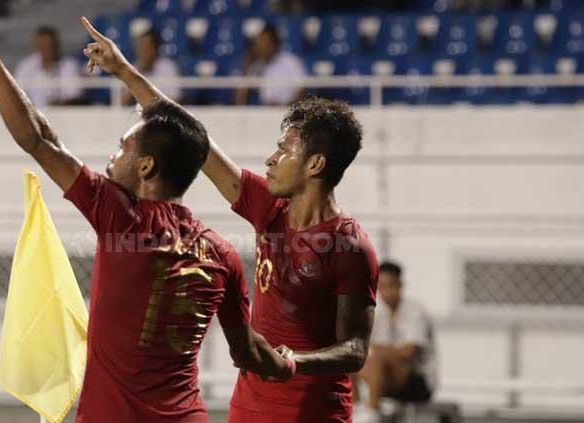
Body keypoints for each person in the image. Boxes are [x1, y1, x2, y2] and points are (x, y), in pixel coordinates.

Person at [0, 3, 293, 423]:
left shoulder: (121, 217)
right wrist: (289, 365)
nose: (112, 156)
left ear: (146, 167)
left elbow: (37, 139)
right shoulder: (223, 254)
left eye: (123, 147)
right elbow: (249, 353)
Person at [83, 17, 379, 423]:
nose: (271, 159)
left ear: (315, 163)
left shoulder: (350, 247)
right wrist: (123, 70)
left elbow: (356, 350)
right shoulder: (269, 210)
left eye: (284, 151)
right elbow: (193, 137)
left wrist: (293, 363)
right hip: (247, 409)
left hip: (313, 413)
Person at [353, 261, 437, 423]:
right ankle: (357, 410)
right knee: (350, 361)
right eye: (382, 287)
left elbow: (408, 353)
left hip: (418, 380)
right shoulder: (376, 312)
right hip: (385, 376)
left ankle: (372, 414)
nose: (387, 292)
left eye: (391, 286)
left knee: (374, 360)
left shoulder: (415, 312)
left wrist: (375, 349)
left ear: (400, 285)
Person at [235, 24, 307, 106]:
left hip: (288, 111)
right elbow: (239, 101)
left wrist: (286, 107)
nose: (261, 47)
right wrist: (246, 68)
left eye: (265, 43)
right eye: (259, 43)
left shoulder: (291, 62)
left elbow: (302, 90)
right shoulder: (256, 65)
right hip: (264, 112)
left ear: (274, 44)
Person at [14, 26, 83, 106]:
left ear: (56, 45)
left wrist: (55, 107)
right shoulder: (26, 66)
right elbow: (17, 95)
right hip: (32, 114)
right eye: (43, 45)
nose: (47, 48)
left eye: (50, 45)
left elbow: (74, 96)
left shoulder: (69, 65)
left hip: (63, 114)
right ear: (37, 46)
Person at [121, 29, 180, 105]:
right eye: (140, 47)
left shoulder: (168, 68)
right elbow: (121, 103)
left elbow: (176, 101)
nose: (142, 51)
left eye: (145, 47)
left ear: (154, 49)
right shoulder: (132, 69)